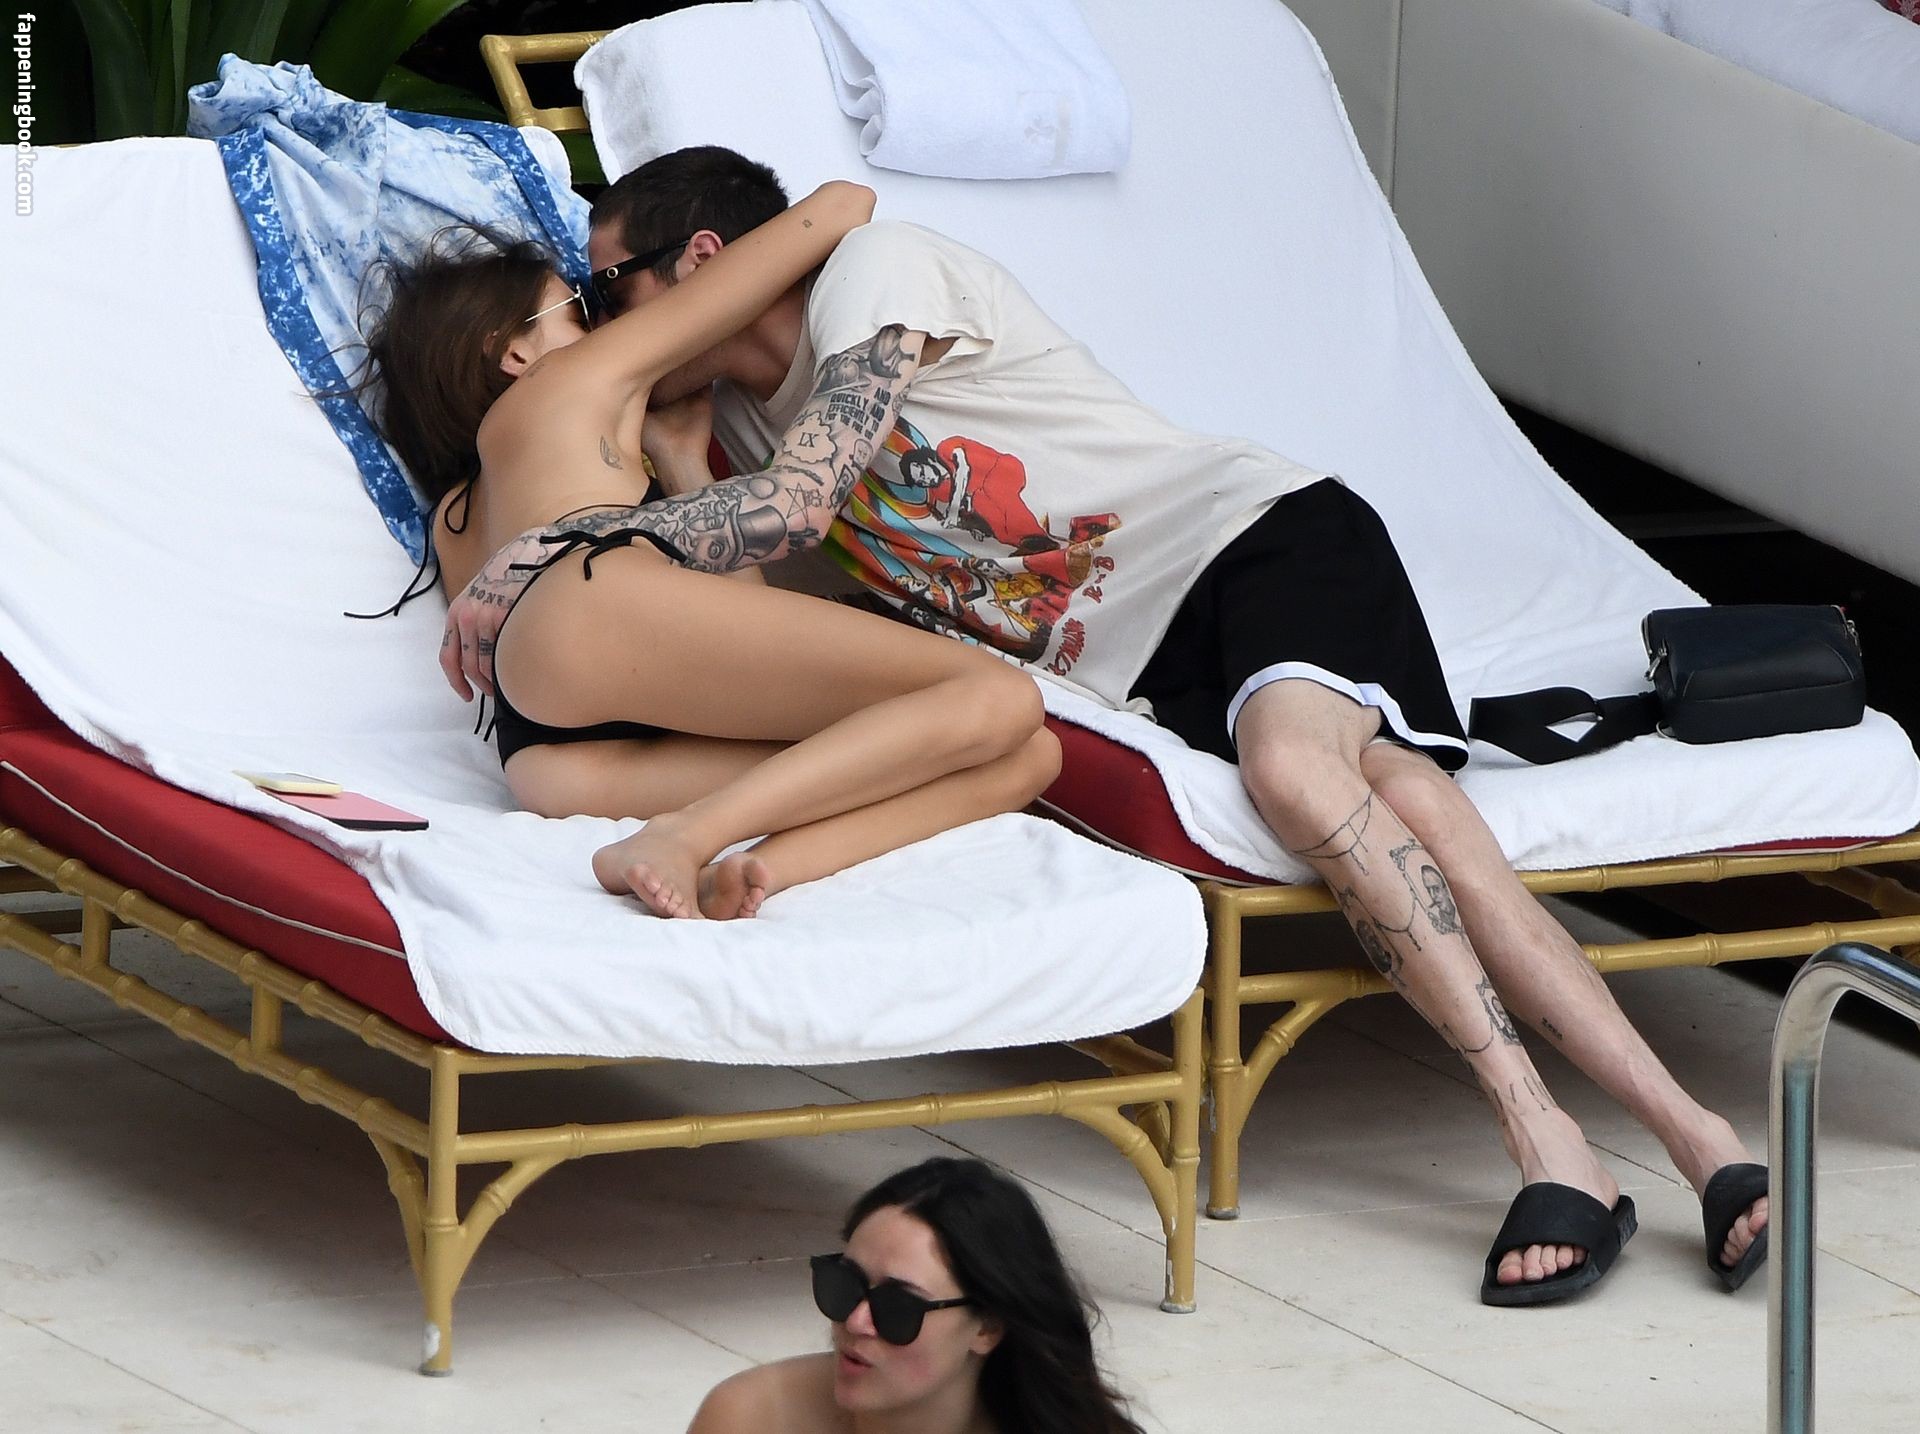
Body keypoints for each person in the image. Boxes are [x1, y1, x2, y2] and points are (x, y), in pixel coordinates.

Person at [440, 148, 1769, 1305]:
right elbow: (765, 615)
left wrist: (541, 557)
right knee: (1413, 808)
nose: (600, 328)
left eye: (606, 291)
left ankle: (1549, 1145)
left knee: (1301, 775)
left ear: (702, 262)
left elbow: (800, 504)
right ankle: (1694, 1133)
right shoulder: (734, 426)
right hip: (1152, 666)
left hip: (1253, 542)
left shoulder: (878, 278)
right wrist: (676, 459)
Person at [360, 181, 1062, 920]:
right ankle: (689, 835)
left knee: (1020, 753)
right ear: (512, 351)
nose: (605, 324)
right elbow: (843, 204)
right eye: (580, 309)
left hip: (545, 756)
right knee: (1003, 696)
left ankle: (759, 869)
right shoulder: (568, 377)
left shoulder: (453, 517)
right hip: (586, 602)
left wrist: (681, 459)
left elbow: (729, 623)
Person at [687, 1157, 1146, 1434]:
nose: (856, 1322)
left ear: (987, 1326)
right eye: (844, 1286)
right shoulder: (752, 1417)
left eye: (898, 1306)